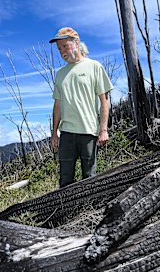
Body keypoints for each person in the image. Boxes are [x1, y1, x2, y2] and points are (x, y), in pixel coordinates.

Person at [49, 27, 114, 187]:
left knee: (89, 178)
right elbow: (57, 104)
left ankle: (89, 210)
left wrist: (103, 130)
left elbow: (104, 101)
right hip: (66, 134)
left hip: (88, 132)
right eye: (59, 49)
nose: (62, 51)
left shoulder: (94, 67)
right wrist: (54, 133)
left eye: (65, 46)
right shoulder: (60, 74)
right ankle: (66, 210)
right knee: (65, 178)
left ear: (76, 43)